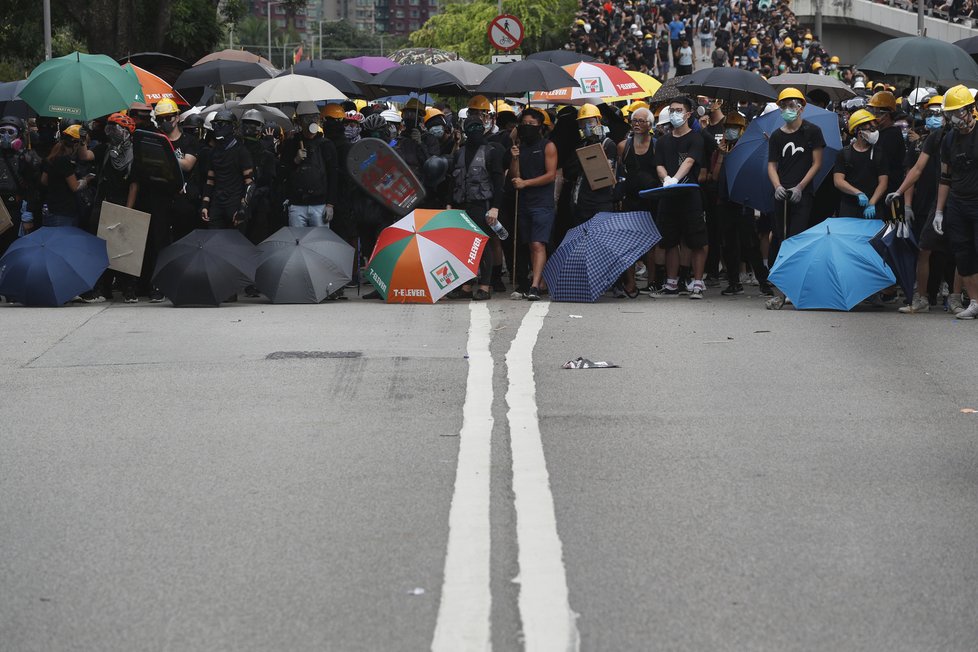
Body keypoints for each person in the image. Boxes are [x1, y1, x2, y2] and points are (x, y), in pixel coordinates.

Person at [886, 95, 956, 314]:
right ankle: (922, 297)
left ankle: (956, 298)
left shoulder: (971, 137)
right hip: (931, 203)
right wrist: (900, 193)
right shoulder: (934, 139)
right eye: (935, 113)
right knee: (924, 249)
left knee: (961, 254)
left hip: (962, 201)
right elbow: (915, 170)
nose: (941, 117)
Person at [766, 87, 825, 310]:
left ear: (802, 107)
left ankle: (796, 287)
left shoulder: (813, 131)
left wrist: (800, 186)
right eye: (785, 105)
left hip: (803, 194)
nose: (789, 109)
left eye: (793, 105)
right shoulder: (777, 136)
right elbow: (771, 165)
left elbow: (817, 163)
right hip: (782, 193)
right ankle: (781, 288)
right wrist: (777, 186)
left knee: (796, 239)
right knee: (780, 239)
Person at [653, 97, 708, 299]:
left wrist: (676, 178)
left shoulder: (696, 138)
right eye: (672, 110)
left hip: (690, 196)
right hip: (668, 197)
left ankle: (697, 283)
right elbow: (658, 164)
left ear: (687, 114)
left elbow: (690, 161)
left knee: (696, 240)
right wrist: (666, 178)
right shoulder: (663, 141)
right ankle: (671, 282)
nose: (675, 113)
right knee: (669, 241)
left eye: (678, 110)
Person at [449, 115, 505, 300]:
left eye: (477, 127)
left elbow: (499, 183)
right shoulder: (459, 153)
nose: (474, 130)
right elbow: (453, 181)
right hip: (462, 206)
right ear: (465, 131)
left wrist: (495, 208)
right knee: (465, 247)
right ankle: (466, 286)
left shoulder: (491, 152)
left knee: (483, 246)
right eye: (470, 127)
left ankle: (485, 286)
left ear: (483, 128)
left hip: (483, 205)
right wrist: (449, 204)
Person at [935, 85, 978, 319]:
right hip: (957, 204)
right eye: (949, 113)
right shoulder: (949, 139)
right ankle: (974, 301)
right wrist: (939, 212)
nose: (954, 118)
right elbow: (945, 177)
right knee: (963, 254)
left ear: (971, 109)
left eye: (958, 112)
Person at [91, 112, 140, 302]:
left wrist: (127, 209)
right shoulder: (105, 149)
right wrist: (80, 138)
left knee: (126, 247)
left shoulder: (134, 154)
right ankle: (104, 289)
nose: (113, 132)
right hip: (106, 202)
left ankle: (129, 290)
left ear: (127, 132)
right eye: (110, 128)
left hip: (123, 202)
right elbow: (86, 155)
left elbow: (134, 184)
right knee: (104, 247)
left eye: (117, 128)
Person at [510, 108, 557, 301]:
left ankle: (535, 285)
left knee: (538, 243)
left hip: (542, 203)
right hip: (524, 203)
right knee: (531, 244)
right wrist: (514, 157)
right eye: (525, 123)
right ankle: (540, 281)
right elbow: (515, 176)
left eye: (532, 124)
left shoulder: (548, 146)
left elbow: (551, 175)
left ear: (540, 126)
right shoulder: (520, 147)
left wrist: (526, 183)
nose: (527, 127)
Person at [279, 101, 338, 229]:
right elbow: (281, 172)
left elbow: (333, 174)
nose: (312, 121)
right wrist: (295, 160)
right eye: (307, 118)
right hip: (296, 204)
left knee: (320, 243)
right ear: (299, 121)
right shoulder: (291, 144)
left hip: (320, 204)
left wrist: (330, 204)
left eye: (315, 117)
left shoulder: (326, 145)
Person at [199, 110, 253, 231]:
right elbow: (210, 181)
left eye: (222, 124)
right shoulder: (213, 152)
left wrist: (243, 208)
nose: (217, 127)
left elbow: (250, 183)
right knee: (214, 243)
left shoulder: (241, 152)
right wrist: (205, 205)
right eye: (215, 124)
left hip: (234, 205)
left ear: (232, 126)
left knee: (234, 245)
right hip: (217, 205)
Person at [833, 109, 887, 219]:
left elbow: (883, 183)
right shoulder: (844, 153)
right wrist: (857, 193)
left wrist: (872, 203)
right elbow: (838, 181)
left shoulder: (879, 153)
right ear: (859, 132)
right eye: (870, 129)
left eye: (875, 129)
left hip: (874, 208)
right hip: (849, 209)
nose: (874, 132)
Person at [570, 103, 617, 228]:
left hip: (601, 201)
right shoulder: (582, 146)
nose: (587, 126)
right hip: (582, 201)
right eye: (582, 123)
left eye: (590, 122)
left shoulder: (608, 144)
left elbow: (607, 175)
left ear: (598, 121)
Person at [0, 116, 41, 254]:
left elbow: (33, 187)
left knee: (13, 249)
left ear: (19, 134)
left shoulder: (26, 157)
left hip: (16, 210)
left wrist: (28, 213)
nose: (5, 136)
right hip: (1, 209)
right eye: (2, 131)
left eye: (10, 132)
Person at [40, 124, 93, 229]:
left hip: (51, 209)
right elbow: (75, 187)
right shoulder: (64, 161)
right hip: (64, 213)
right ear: (76, 144)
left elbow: (44, 181)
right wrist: (86, 180)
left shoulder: (52, 157)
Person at [867, 91, 907, 196]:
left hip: (889, 187)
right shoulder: (880, 132)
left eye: (878, 113)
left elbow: (882, 161)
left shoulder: (893, 134)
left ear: (887, 114)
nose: (874, 116)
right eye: (873, 112)